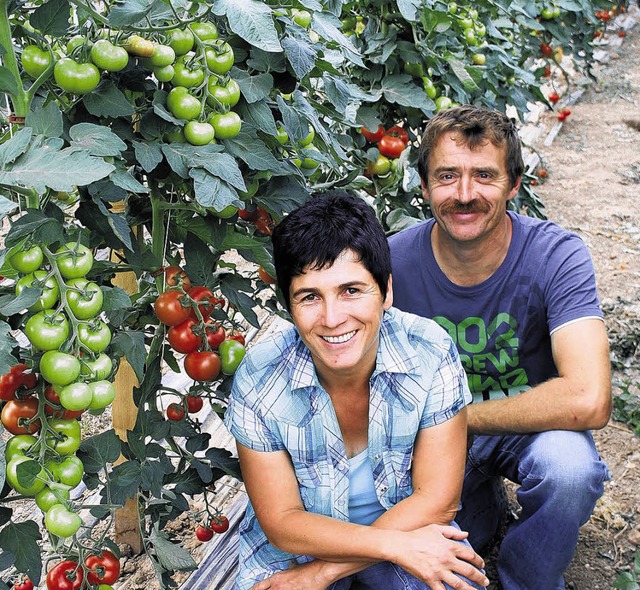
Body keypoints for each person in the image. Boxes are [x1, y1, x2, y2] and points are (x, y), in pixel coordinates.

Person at [388, 104, 612, 590]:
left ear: (514, 186)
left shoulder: (556, 255)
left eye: (484, 176)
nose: (464, 194)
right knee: (456, 540)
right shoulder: (390, 263)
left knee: (569, 471)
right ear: (423, 187)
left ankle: (524, 580)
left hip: (520, 428)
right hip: (427, 444)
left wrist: (458, 418)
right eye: (447, 175)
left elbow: (589, 400)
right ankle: (482, 507)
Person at [224, 191, 489, 590]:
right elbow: (283, 523)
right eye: (310, 297)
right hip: (299, 550)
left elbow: (438, 498)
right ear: (289, 307)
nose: (333, 318)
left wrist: (324, 573)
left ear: (386, 291)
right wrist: (380, 547)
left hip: (408, 530)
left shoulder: (428, 351)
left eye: (351, 290)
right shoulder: (261, 378)